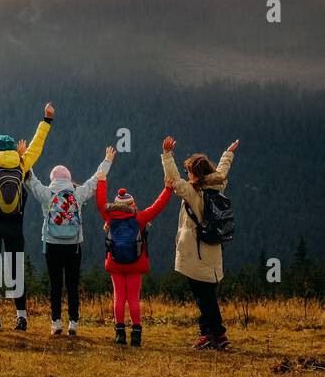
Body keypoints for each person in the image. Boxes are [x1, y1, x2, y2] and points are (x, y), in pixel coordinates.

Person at [0, 98, 53, 331]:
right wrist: (46, 120)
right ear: (14, 149)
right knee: (16, 269)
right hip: (14, 225)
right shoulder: (21, 163)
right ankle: (21, 317)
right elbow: (37, 146)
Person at [25, 147, 115, 336]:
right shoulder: (77, 195)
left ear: (53, 179)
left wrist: (24, 157)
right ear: (68, 179)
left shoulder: (47, 195)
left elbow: (31, 181)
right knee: (72, 285)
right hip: (74, 246)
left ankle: (56, 322)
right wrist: (107, 160)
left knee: (55, 285)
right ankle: (73, 322)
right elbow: (94, 181)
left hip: (51, 244)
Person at [162, 135, 239, 350]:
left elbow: (174, 181)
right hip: (213, 253)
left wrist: (167, 155)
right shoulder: (218, 187)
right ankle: (206, 335)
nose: (187, 175)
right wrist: (228, 153)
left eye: (189, 171)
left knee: (203, 298)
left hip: (196, 255)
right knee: (206, 295)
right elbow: (223, 171)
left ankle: (219, 335)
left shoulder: (194, 194)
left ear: (195, 174)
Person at [97, 173, 174, 346]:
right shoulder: (139, 218)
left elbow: (100, 203)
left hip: (115, 263)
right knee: (133, 297)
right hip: (135, 263)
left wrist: (102, 181)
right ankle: (136, 334)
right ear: (132, 205)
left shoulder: (110, 217)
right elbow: (157, 206)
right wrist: (168, 189)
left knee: (119, 297)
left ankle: (120, 333)